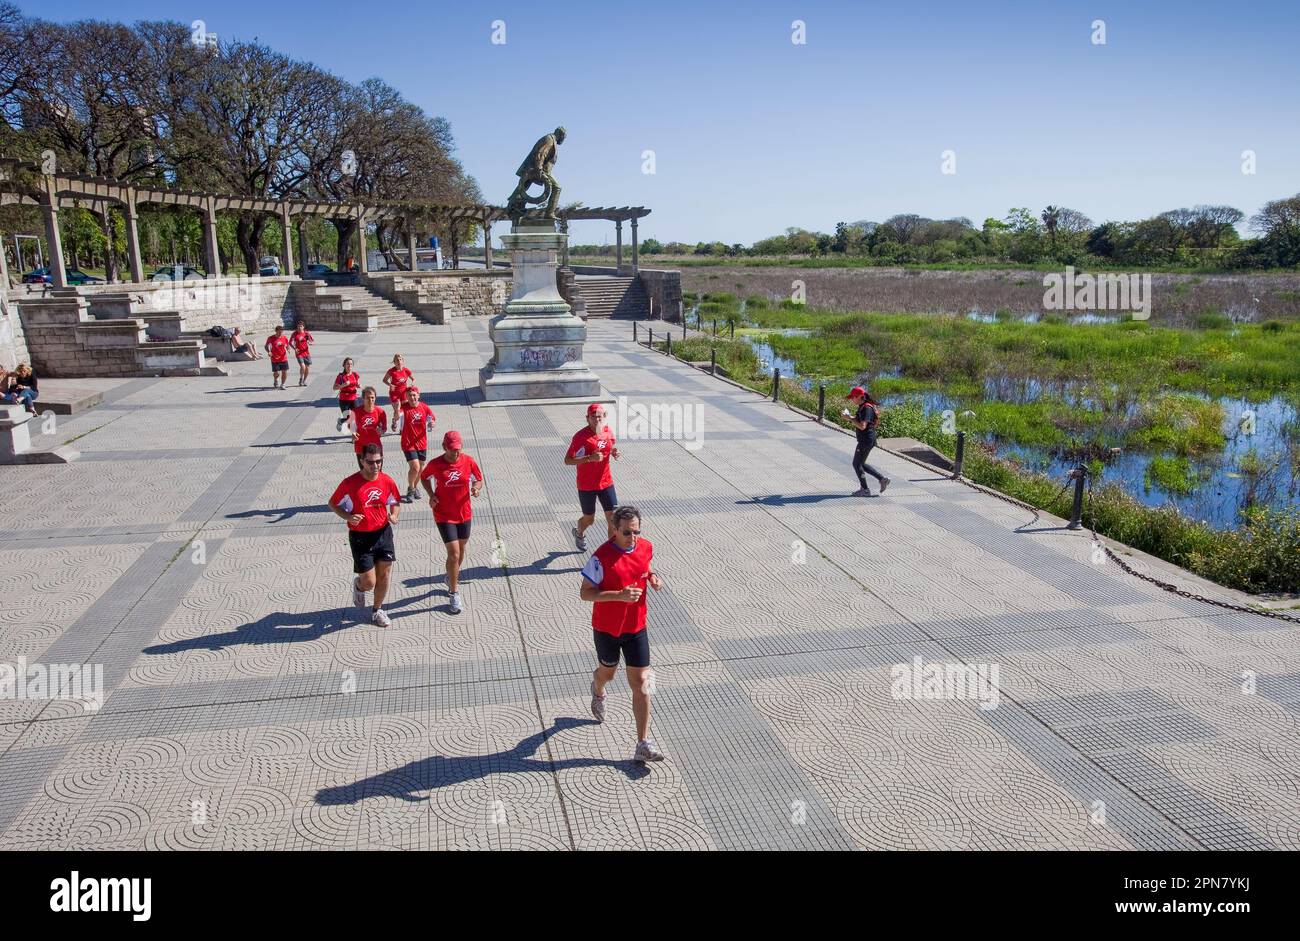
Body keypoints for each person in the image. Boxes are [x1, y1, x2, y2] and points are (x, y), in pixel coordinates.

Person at [580, 505, 665, 764]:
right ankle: (598, 686)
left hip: (636, 627)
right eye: (627, 532)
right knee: (608, 673)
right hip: (607, 629)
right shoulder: (600, 558)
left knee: (642, 682)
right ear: (614, 530)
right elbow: (585, 593)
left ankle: (642, 743)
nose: (633, 538)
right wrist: (619, 596)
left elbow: (644, 566)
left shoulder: (645, 547)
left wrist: (653, 577)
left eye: (637, 531)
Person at [329, 442, 401, 628]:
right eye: (370, 462)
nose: (375, 466)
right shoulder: (349, 483)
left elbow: (395, 501)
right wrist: (349, 516)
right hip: (360, 537)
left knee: (384, 575)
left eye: (379, 461)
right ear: (362, 461)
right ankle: (359, 586)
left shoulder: (387, 481)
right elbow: (333, 503)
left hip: (383, 533)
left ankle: (377, 610)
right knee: (369, 582)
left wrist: (393, 515)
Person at [419, 430, 483, 616]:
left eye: (458, 449)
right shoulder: (436, 464)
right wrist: (432, 495)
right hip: (444, 514)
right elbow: (424, 477)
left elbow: (478, 479)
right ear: (444, 447)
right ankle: (454, 593)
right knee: (454, 553)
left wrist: (476, 488)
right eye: (452, 450)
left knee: (461, 552)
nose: (455, 453)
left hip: (464, 513)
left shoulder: (468, 461)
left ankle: (450, 576)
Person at [564, 402, 619, 552]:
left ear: (605, 417)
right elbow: (567, 460)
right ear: (587, 418)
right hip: (586, 485)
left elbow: (610, 446)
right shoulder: (580, 437)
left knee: (613, 520)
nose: (597, 420)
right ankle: (579, 532)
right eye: (593, 417)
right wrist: (589, 458)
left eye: (599, 417)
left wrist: (614, 452)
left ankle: (610, 553)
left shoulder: (608, 432)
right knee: (589, 520)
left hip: (606, 482)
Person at [842, 386, 891, 496]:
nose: (852, 399)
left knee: (856, 464)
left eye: (853, 397)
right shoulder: (863, 406)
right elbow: (861, 420)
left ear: (860, 396)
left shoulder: (866, 408)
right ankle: (882, 479)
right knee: (861, 464)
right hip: (867, 440)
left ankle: (865, 489)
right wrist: (849, 416)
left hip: (866, 440)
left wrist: (850, 419)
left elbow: (862, 426)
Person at [394, 386, 436, 502]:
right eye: (409, 395)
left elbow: (432, 419)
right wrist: (397, 410)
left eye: (414, 395)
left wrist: (432, 423)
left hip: (422, 443)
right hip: (408, 443)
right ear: (406, 397)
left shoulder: (424, 407)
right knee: (415, 467)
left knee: (421, 469)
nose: (412, 397)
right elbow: (397, 418)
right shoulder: (404, 408)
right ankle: (411, 489)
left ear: (418, 395)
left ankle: (415, 487)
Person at [347, 386, 388, 467]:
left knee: (377, 472)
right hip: (361, 447)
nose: (370, 400)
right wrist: (353, 432)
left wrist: (382, 431)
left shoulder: (381, 412)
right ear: (363, 398)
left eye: (372, 397)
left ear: (375, 398)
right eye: (367, 398)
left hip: (376, 447)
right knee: (364, 474)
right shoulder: (355, 412)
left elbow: (384, 428)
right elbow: (349, 425)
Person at [382, 354, 414, 426]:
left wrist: (412, 384)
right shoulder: (391, 371)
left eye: (400, 359)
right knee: (397, 409)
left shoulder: (406, 370)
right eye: (397, 360)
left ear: (403, 361)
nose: (399, 361)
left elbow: (413, 379)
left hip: (404, 393)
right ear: (394, 362)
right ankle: (395, 421)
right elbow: (384, 380)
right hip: (394, 393)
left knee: (404, 411)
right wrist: (390, 384)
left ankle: (401, 427)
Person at [333, 357, 361, 432]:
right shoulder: (341, 376)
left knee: (356, 417)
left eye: (351, 364)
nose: (349, 365)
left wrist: (358, 385)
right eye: (348, 364)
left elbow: (356, 383)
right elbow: (334, 388)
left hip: (354, 398)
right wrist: (343, 385)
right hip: (344, 400)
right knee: (348, 418)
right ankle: (341, 421)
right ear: (344, 365)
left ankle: (354, 436)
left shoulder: (355, 375)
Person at [264, 324, 291, 390]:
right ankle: (275, 379)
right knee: (277, 373)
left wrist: (288, 349)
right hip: (275, 359)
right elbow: (266, 346)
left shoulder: (284, 338)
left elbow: (287, 345)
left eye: (281, 332)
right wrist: (269, 352)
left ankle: (283, 384)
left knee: (284, 371)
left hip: (283, 358)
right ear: (276, 331)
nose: (280, 334)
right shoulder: (271, 338)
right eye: (279, 332)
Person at [291, 321, 315, 386]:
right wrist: (294, 348)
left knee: (307, 367)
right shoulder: (294, 334)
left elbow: (312, 341)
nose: (299, 327)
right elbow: (290, 342)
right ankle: (301, 378)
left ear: (303, 327)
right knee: (303, 366)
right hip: (299, 353)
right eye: (298, 326)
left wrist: (310, 343)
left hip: (306, 353)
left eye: (301, 326)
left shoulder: (306, 333)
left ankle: (304, 381)